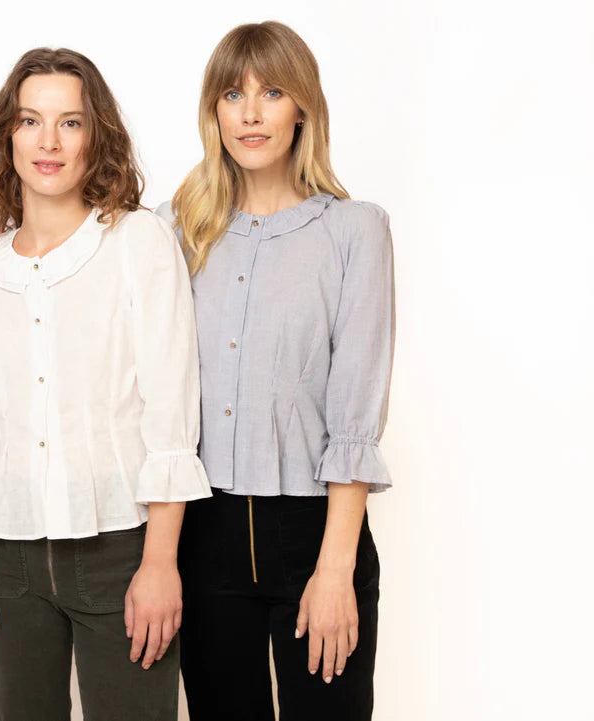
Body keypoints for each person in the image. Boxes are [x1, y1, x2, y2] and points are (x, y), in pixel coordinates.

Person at [0, 47, 211, 721]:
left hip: (120, 553)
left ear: (96, 136)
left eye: (70, 122)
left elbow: (170, 412)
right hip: (3, 559)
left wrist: (160, 562)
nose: (48, 142)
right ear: (8, 137)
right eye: (30, 121)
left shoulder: (138, 242)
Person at [158, 20, 395, 721]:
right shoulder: (176, 229)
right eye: (233, 94)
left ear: (303, 108)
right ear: (214, 112)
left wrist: (335, 569)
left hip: (317, 534)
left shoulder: (354, 229)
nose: (251, 113)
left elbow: (355, 407)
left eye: (271, 92)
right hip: (204, 535)